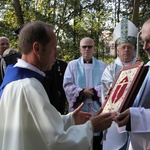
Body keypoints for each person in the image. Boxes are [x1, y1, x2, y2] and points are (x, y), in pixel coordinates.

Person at [0, 20, 113, 150]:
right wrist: (90, 127)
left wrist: (70, 120)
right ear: (37, 48)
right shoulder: (29, 87)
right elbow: (56, 142)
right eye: (53, 48)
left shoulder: (13, 81)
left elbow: (37, 125)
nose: (56, 54)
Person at [63, 37, 107, 150]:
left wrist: (95, 91)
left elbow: (107, 85)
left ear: (94, 49)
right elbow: (67, 85)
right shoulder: (72, 65)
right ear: (80, 49)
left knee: (96, 142)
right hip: (79, 110)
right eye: (84, 46)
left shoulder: (102, 66)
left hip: (96, 109)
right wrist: (82, 92)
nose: (87, 49)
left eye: (90, 46)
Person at [101, 18, 138, 150]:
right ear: (117, 50)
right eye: (123, 47)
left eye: (129, 47)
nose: (126, 50)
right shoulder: (110, 70)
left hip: (135, 119)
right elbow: (108, 94)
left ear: (134, 49)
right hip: (114, 122)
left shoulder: (141, 67)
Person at [114, 18, 150, 150]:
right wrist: (117, 101)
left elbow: (137, 112)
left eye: (149, 41)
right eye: (144, 41)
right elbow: (138, 102)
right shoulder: (146, 68)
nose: (145, 47)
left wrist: (135, 116)